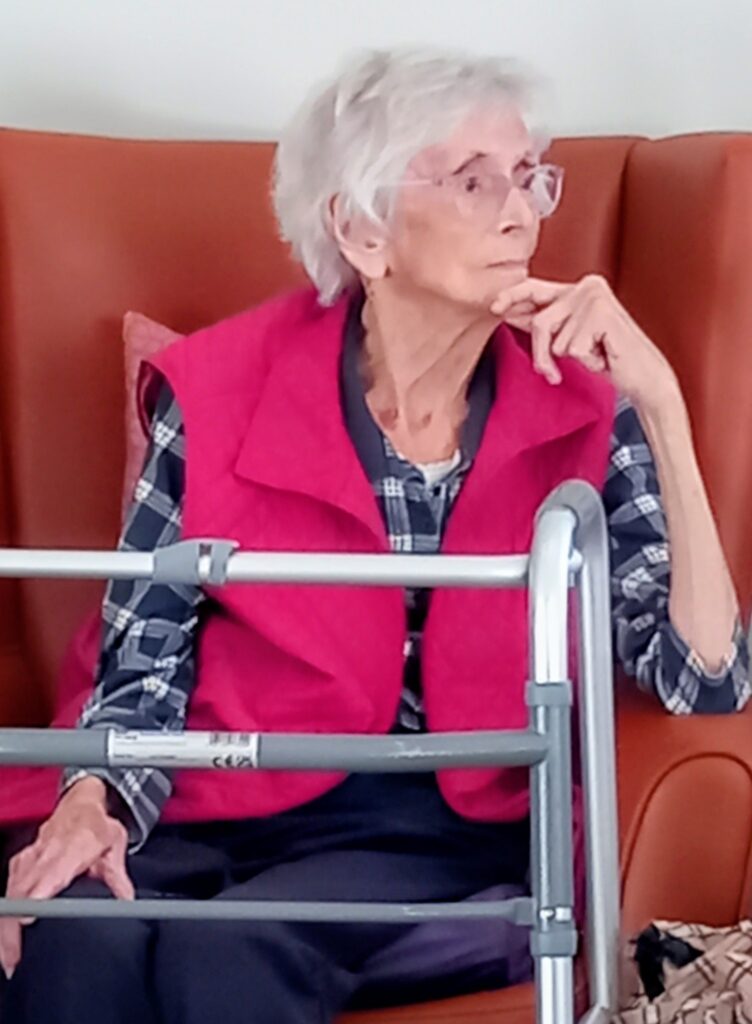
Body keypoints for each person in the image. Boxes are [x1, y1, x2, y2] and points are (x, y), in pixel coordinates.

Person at [1, 48, 748, 1024]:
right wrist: (94, 803)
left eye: (529, 177)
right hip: (209, 795)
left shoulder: (588, 413)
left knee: (224, 964)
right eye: (474, 181)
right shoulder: (216, 390)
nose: (521, 212)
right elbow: (145, 652)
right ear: (360, 229)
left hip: (433, 827)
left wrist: (659, 409)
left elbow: (704, 677)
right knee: (66, 938)